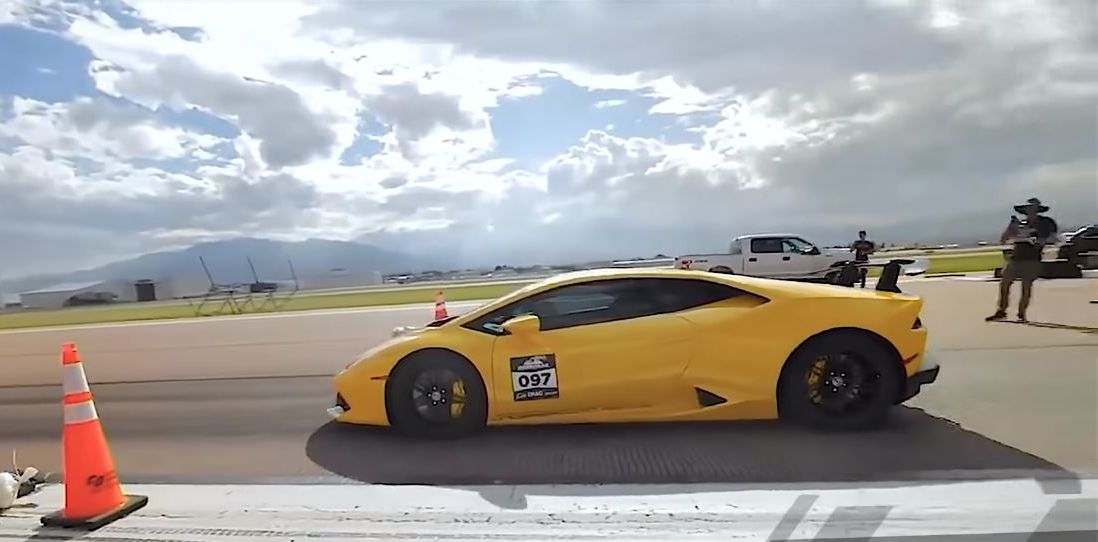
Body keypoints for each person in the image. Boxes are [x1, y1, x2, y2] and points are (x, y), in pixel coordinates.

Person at [986, 197, 1058, 323]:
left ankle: (1021, 313)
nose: (1030, 211)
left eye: (1033, 208)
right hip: (1016, 257)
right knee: (1004, 283)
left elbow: (1053, 238)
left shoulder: (1045, 223)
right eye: (1028, 209)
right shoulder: (1019, 224)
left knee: (1026, 286)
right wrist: (1009, 230)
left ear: (1038, 210)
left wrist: (1038, 240)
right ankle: (1002, 310)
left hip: (1032, 259)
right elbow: (1004, 240)